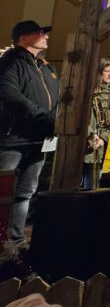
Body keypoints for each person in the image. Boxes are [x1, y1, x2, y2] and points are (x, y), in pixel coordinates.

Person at [0, 20, 59, 246]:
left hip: (38, 140)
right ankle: (2, 242)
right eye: (40, 33)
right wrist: (44, 117)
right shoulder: (9, 63)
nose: (46, 36)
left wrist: (54, 119)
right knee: (4, 193)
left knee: (25, 193)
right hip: (12, 139)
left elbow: (57, 99)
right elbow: (9, 95)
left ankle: (14, 241)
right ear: (23, 38)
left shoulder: (45, 67)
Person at [83, 57, 110, 189]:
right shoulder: (88, 91)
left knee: (93, 184)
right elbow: (81, 115)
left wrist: (103, 138)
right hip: (85, 138)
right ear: (99, 72)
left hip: (102, 142)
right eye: (107, 71)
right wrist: (90, 133)